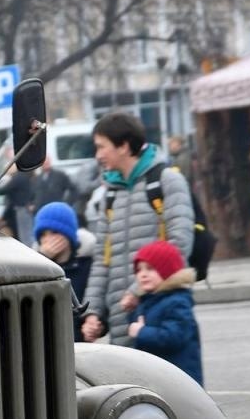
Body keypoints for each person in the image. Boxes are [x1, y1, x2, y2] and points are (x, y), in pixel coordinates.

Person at [81, 113, 193, 347]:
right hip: (120, 314)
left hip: (158, 310)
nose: (98, 155)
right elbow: (102, 259)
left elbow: (179, 244)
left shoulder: (166, 181)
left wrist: (136, 290)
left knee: (161, 381)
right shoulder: (110, 193)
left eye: (102, 147)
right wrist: (92, 312)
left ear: (123, 146)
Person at [126, 240, 204, 385]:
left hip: (180, 379)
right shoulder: (148, 300)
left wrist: (141, 332)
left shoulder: (177, 302)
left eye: (149, 269)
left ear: (167, 272)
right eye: (139, 270)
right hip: (159, 376)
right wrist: (131, 312)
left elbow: (174, 337)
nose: (143, 274)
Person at [33, 201, 94, 331]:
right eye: (43, 234)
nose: (48, 239)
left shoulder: (86, 265)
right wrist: (43, 258)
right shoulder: (35, 269)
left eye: (54, 232)